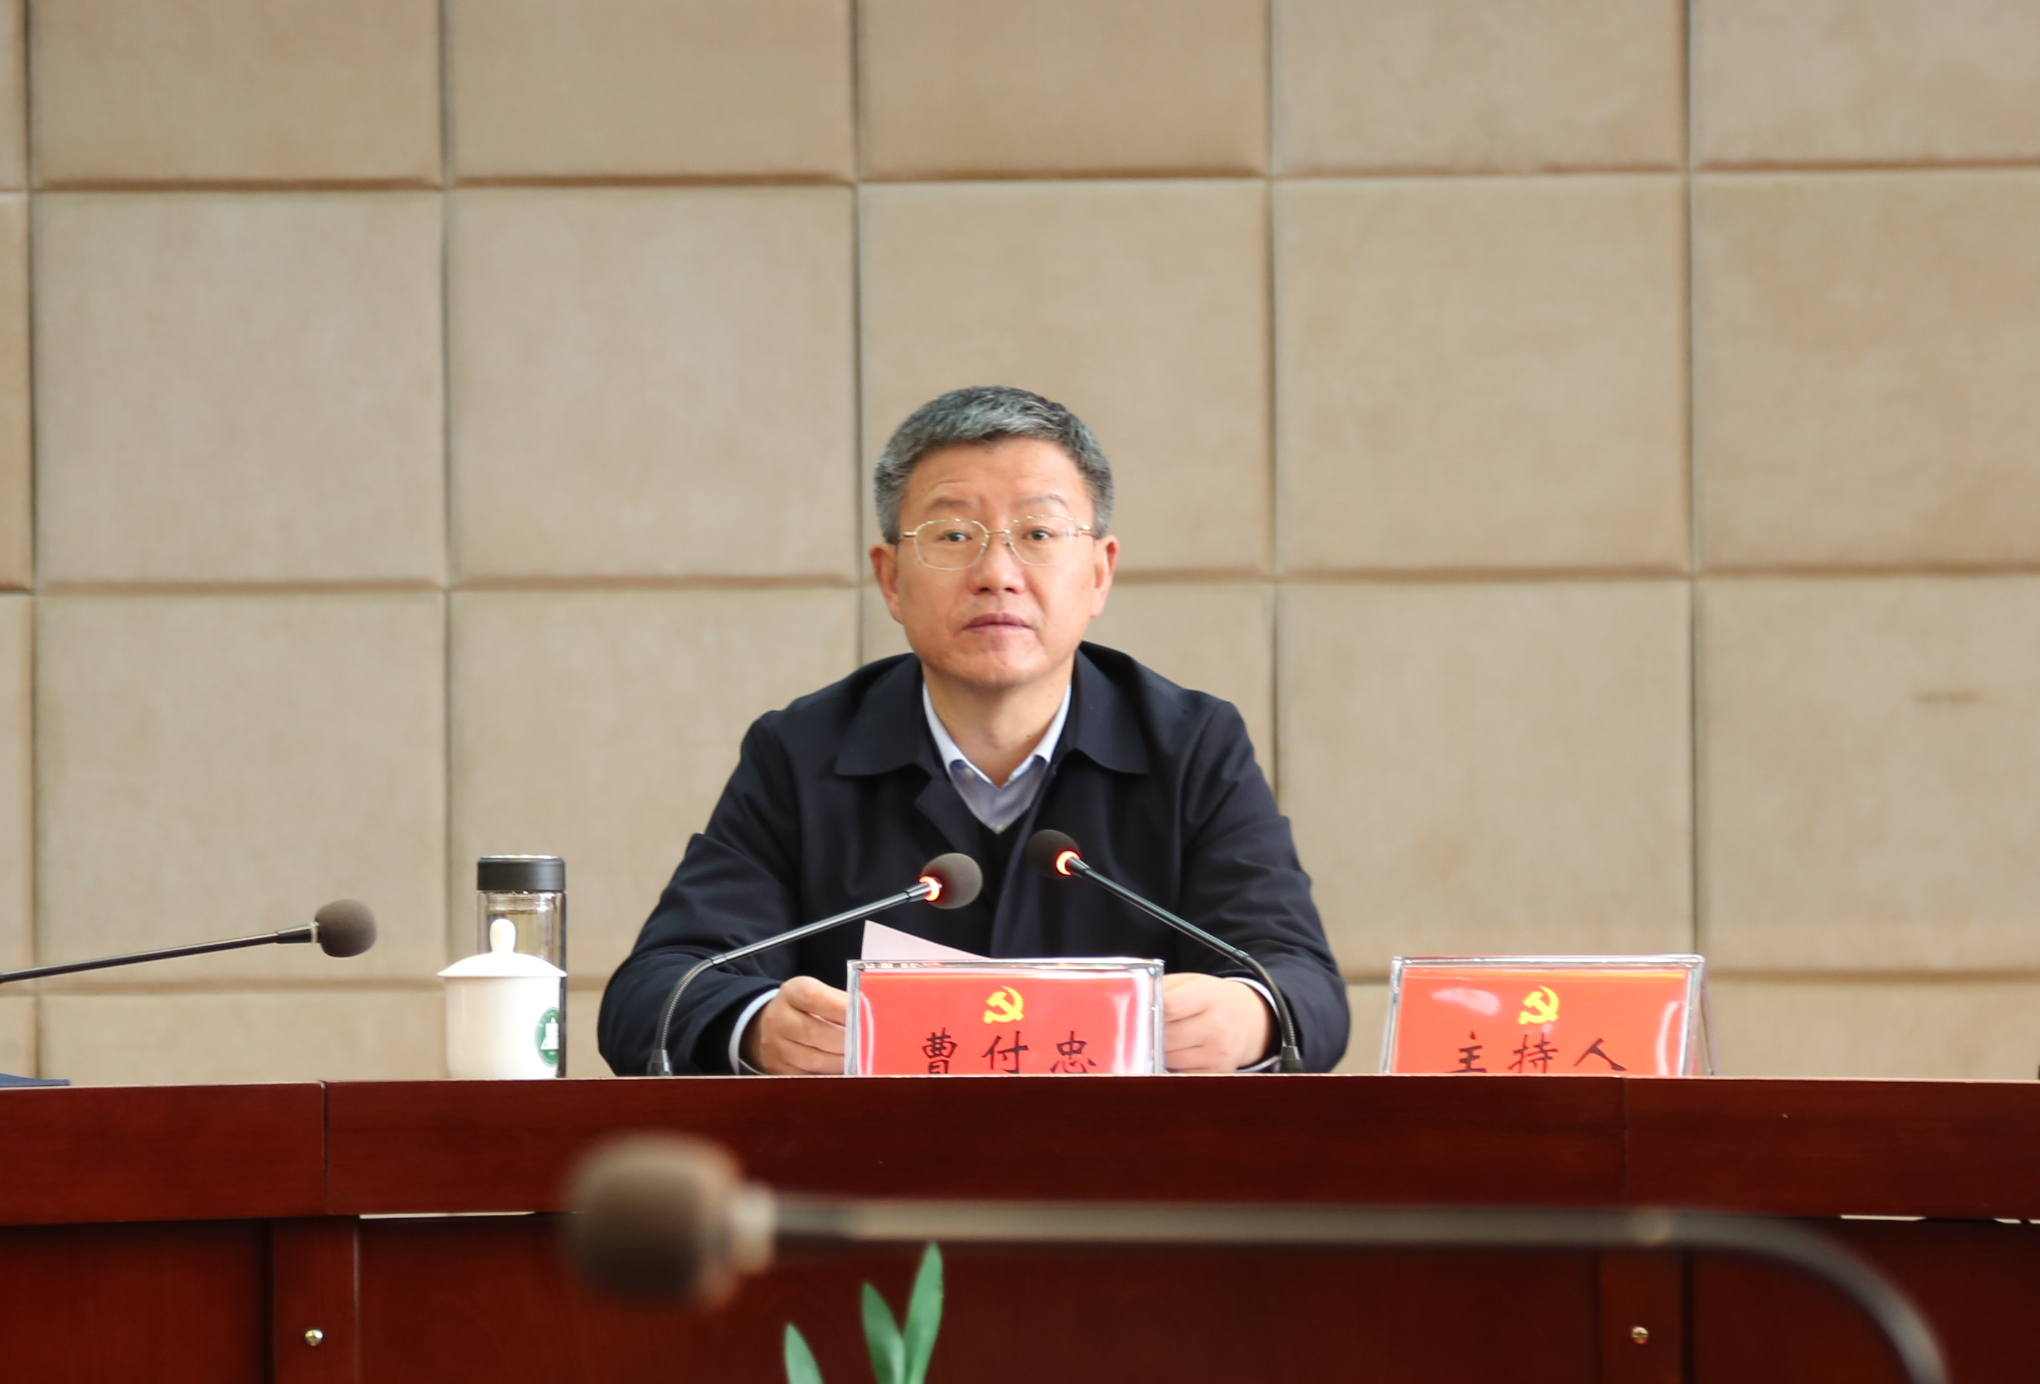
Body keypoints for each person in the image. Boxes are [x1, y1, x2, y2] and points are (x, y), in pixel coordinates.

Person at [598, 386, 1348, 1076]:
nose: (997, 572)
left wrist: (1246, 1016)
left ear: (1100, 571)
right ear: (890, 578)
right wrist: (759, 1026)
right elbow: (655, 991)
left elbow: (1303, 983)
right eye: (954, 535)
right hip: (875, 1170)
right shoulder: (801, 753)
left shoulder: (1190, 746)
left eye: (1038, 532)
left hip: (1121, 1167)